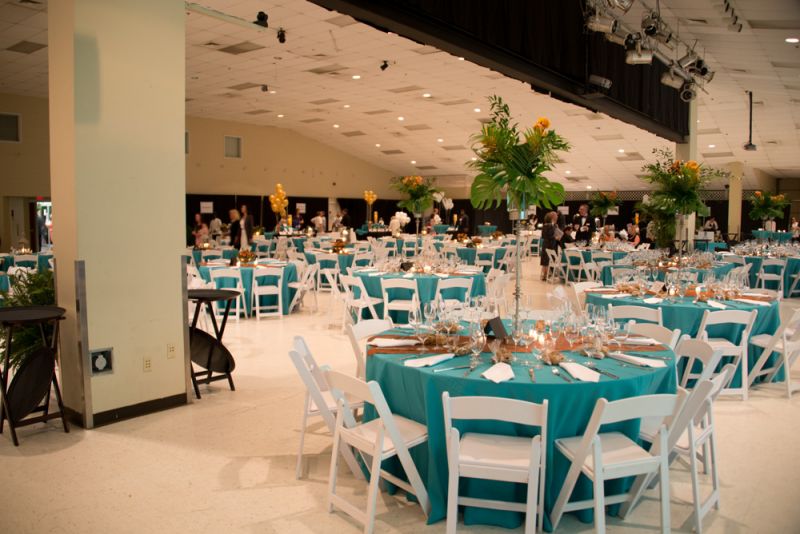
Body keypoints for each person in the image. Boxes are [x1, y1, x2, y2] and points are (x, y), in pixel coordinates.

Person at [540, 211, 562, 281]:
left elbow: (558, 234)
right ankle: (545, 275)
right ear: (552, 217)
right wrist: (555, 237)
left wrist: (558, 236)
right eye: (556, 215)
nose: (557, 217)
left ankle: (551, 273)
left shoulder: (555, 225)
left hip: (553, 244)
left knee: (551, 259)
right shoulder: (546, 225)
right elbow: (544, 236)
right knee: (546, 260)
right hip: (547, 244)